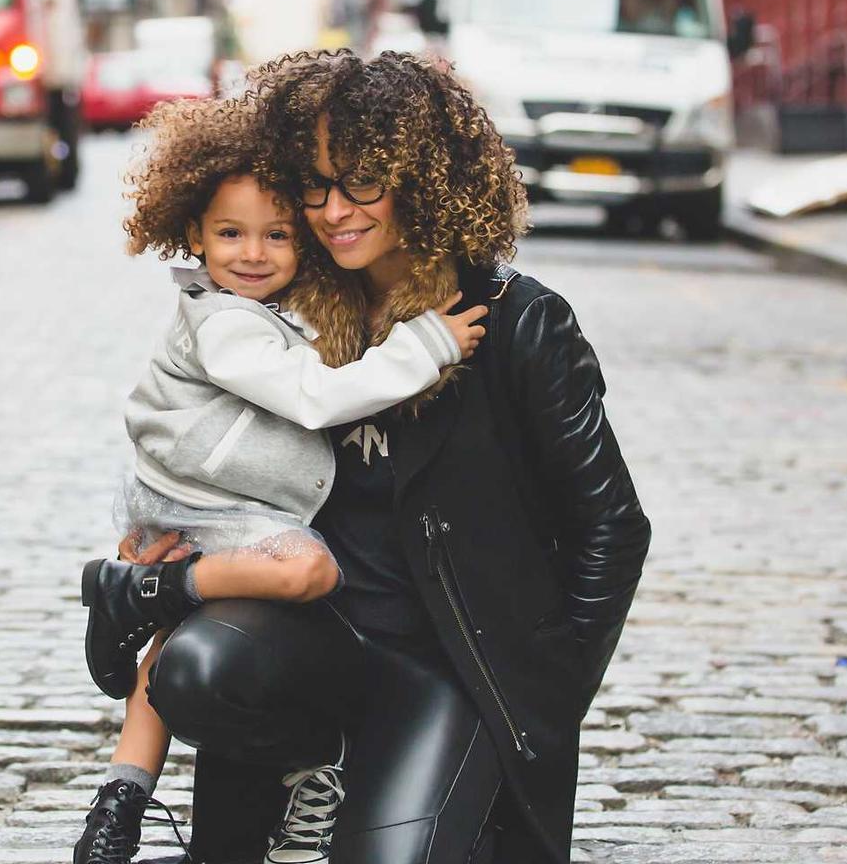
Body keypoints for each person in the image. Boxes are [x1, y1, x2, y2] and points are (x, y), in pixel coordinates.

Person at [142, 50, 653, 864]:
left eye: (361, 182)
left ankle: (439, 800)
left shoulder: (518, 324)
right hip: (318, 641)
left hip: (451, 669)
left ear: (421, 177)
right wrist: (165, 542)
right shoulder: (287, 313)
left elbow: (612, 530)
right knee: (196, 670)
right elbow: (201, 443)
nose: (333, 210)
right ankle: (315, 775)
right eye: (313, 183)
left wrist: (541, 700)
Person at [74, 96, 490, 864]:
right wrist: (428, 341)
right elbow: (315, 395)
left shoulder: (270, 308)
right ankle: (150, 603)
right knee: (308, 569)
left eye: (277, 235)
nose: (255, 253)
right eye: (231, 234)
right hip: (214, 506)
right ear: (192, 235)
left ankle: (123, 794)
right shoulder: (225, 320)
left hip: (203, 501)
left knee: (174, 638)